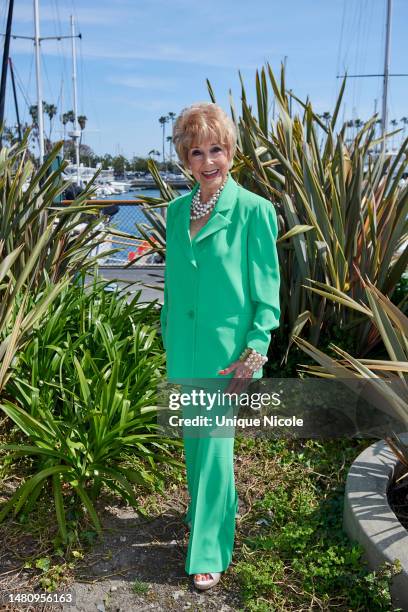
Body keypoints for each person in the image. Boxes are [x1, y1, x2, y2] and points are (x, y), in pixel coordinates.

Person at [160, 102, 280, 590]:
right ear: (185, 159)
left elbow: (265, 295)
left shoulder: (254, 211)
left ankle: (209, 548)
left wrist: (253, 352)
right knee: (197, 448)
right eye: (196, 152)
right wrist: (168, 328)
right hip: (183, 350)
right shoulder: (174, 212)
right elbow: (172, 283)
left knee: (213, 450)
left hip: (226, 355)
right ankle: (205, 519)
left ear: (230, 152)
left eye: (216, 149)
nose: (208, 161)